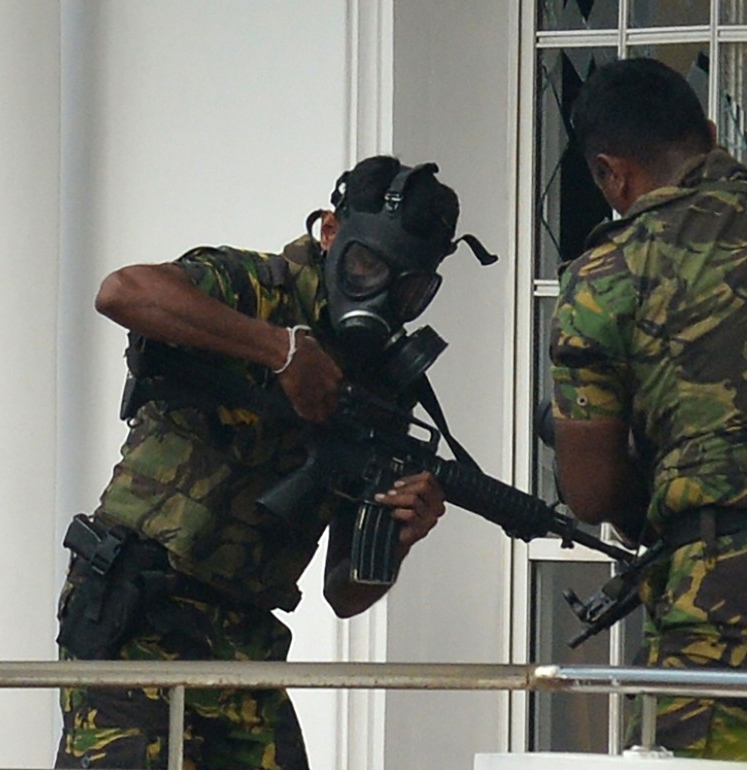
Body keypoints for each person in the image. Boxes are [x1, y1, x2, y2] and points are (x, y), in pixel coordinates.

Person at [54, 156, 466, 770]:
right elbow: (123, 292)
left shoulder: (382, 382)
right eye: (367, 266)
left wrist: (402, 535)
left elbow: (345, 596)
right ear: (331, 234)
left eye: (407, 288)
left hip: (243, 639)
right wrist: (281, 349)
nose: (380, 294)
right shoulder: (256, 288)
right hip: (137, 610)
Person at [548, 58, 747, 761]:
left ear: (610, 174)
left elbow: (589, 492)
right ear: (709, 134)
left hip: (720, 608)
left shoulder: (603, 279)